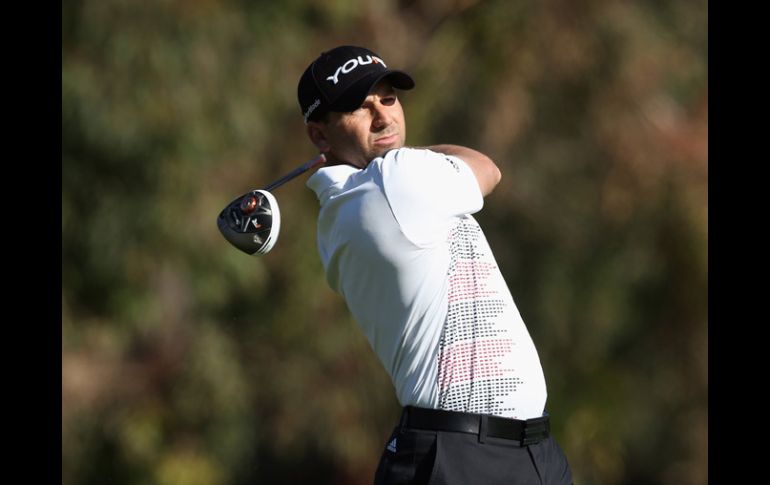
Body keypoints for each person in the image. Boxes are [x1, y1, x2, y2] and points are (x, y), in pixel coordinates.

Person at [297, 45, 573, 485]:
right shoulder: (398, 179)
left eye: (388, 98)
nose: (384, 117)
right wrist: (401, 154)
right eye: (359, 107)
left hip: (521, 451)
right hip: (463, 458)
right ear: (319, 136)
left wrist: (381, 153)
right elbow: (487, 168)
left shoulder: (336, 216)